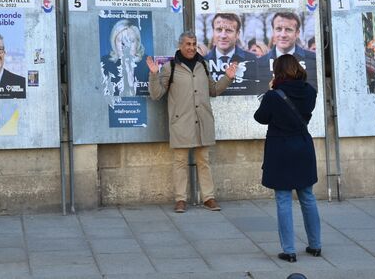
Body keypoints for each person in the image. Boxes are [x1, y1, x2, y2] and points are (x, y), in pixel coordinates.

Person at [147, 31, 237, 213]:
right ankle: (181, 199)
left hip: (202, 122)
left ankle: (208, 198)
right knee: (180, 162)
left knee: (204, 161)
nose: (191, 48)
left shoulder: (203, 65)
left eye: (194, 44)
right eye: (188, 44)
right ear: (180, 45)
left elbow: (213, 90)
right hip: (181, 123)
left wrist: (227, 77)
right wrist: (154, 75)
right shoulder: (170, 67)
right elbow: (156, 94)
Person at [254, 54, 321, 263]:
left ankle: (289, 250)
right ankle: (316, 245)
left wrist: (269, 91)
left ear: (278, 71)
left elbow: (261, 117)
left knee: (283, 199)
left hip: (280, 149)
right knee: (307, 196)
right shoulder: (309, 91)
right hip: (302, 146)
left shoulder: (274, 96)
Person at [259, 12, 317, 90]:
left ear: (297, 33)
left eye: (288, 30)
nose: (283, 35)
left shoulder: (314, 60)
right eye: (278, 29)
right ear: (273, 31)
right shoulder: (259, 63)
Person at [204, 13, 258, 95]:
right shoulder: (203, 62)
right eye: (219, 30)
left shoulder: (252, 61)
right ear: (213, 32)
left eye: (228, 30)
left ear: (237, 34)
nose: (223, 36)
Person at [100, 19, 150, 97]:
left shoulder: (148, 63)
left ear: (137, 43)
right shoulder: (104, 63)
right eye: (121, 41)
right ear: (114, 43)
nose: (126, 46)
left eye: (131, 41)